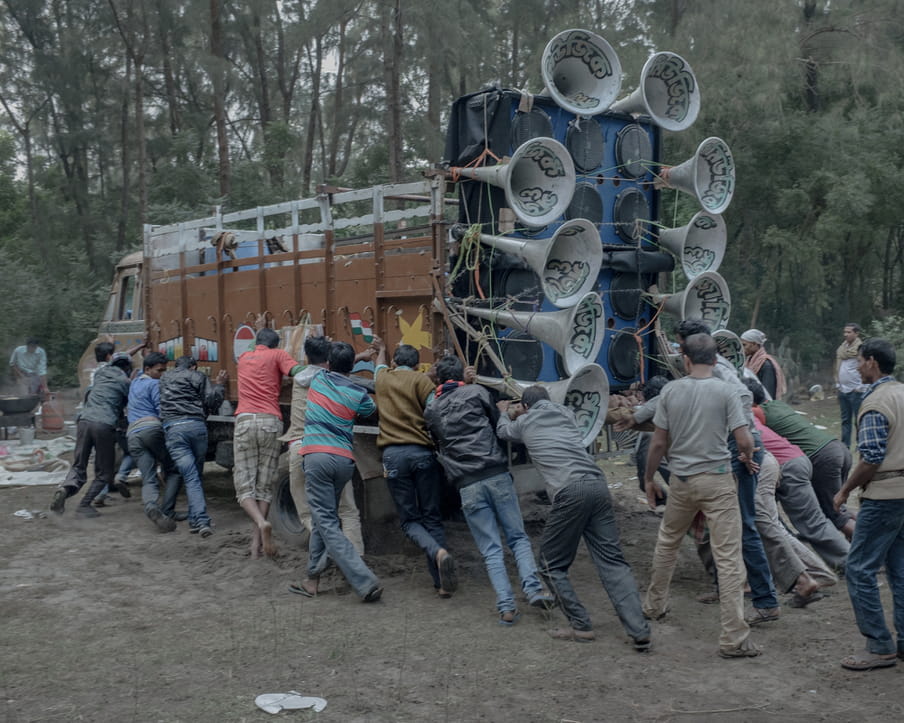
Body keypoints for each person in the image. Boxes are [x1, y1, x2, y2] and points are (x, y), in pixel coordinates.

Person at [496, 386, 650, 649]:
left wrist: (503, 412)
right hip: (597, 485)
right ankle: (639, 630)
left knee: (549, 564)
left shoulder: (526, 420)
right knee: (612, 560)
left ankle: (580, 625)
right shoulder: (566, 413)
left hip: (569, 491)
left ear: (525, 406)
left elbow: (503, 431)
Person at [643, 333, 760, 658]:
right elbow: (744, 438)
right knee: (728, 557)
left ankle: (654, 606)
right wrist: (748, 458)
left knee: (668, 541)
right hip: (718, 482)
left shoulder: (671, 390)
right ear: (715, 358)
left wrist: (649, 477)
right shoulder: (726, 391)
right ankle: (733, 638)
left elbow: (658, 443)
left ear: (685, 359)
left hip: (681, 481)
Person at [424, 355, 554, 625]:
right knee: (518, 538)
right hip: (495, 473)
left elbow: (438, 440)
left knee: (490, 549)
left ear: (438, 378)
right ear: (462, 375)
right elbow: (497, 423)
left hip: (466, 484)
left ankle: (506, 607)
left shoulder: (432, 408)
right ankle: (533, 589)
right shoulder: (477, 392)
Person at [676, 320, 780, 622]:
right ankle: (734, 590)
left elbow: (744, 397)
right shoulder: (706, 371)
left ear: (690, 346)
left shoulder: (717, 369)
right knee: (727, 524)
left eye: (680, 344)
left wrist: (743, 446)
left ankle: (766, 601)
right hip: (734, 448)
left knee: (745, 526)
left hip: (739, 449)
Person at [290, 341, 383, 602]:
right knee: (324, 519)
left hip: (317, 456)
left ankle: (364, 581)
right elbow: (370, 411)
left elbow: (301, 374)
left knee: (327, 521)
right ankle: (311, 580)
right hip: (343, 461)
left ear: (327, 364)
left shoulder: (318, 378)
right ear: (351, 366)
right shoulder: (358, 395)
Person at [834, 338, 904, 671]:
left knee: (859, 568)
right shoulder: (902, 393)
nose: (857, 366)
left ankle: (879, 645)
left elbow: (872, 457)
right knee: (900, 571)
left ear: (872, 362)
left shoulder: (876, 402)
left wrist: (845, 489)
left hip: (885, 495)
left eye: (859, 361)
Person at [374, 339, 456, 597]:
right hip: (422, 454)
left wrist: (382, 351)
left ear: (395, 363)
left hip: (393, 456)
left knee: (410, 521)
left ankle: (437, 552)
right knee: (432, 517)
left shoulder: (383, 378)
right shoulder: (423, 382)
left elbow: (377, 366)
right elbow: (434, 411)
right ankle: (442, 584)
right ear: (418, 364)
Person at [746, 378, 850, 572]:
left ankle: (851, 562)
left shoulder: (747, 414)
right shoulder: (775, 405)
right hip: (812, 455)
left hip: (792, 464)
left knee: (819, 519)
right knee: (822, 514)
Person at [279, 335, 365, 555]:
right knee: (348, 511)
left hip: (300, 448)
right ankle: (356, 558)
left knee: (308, 513)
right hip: (334, 450)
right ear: (330, 360)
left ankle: (332, 549)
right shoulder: (331, 380)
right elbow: (343, 372)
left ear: (306, 357)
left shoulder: (300, 378)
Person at [234, 328, 304, 558]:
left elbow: (254, 351)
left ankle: (260, 529)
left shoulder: (244, 358)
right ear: (276, 344)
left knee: (245, 488)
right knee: (264, 486)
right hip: (270, 420)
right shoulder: (278, 355)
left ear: (257, 342)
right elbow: (298, 372)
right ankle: (257, 543)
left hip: (245, 421)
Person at [758, 394, 856, 540]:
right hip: (837, 448)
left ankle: (870, 544)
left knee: (835, 514)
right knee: (838, 508)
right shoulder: (778, 404)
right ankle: (871, 536)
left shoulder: (756, 412)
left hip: (822, 456)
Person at [50, 349, 132, 516]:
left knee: (79, 465)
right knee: (105, 471)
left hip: (84, 421)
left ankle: (65, 489)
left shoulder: (100, 373)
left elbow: (89, 393)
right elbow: (125, 406)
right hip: (103, 424)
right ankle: (84, 505)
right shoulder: (125, 381)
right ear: (128, 368)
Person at [159, 356, 228, 538]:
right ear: (193, 366)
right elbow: (212, 403)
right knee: (194, 476)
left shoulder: (164, 378)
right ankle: (201, 521)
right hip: (196, 428)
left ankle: (195, 520)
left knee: (191, 477)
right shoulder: (197, 376)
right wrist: (220, 385)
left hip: (173, 430)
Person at [126, 352, 181, 532]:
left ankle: (151, 506)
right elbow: (162, 410)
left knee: (148, 477)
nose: (163, 374)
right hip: (151, 429)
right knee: (173, 469)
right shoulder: (155, 384)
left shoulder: (134, 383)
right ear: (148, 369)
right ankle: (168, 511)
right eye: (160, 370)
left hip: (132, 433)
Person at [835, 323, 867, 447]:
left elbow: (863, 367)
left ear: (856, 333)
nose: (846, 334)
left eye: (849, 332)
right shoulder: (842, 348)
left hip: (856, 391)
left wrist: (861, 387)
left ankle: (862, 446)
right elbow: (839, 365)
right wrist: (838, 383)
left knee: (858, 421)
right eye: (845, 332)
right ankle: (845, 447)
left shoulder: (861, 349)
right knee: (845, 421)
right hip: (843, 389)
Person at [740, 328, 786, 400]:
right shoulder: (749, 361)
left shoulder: (766, 365)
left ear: (754, 344)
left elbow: (767, 394)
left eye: (744, 345)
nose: (742, 348)